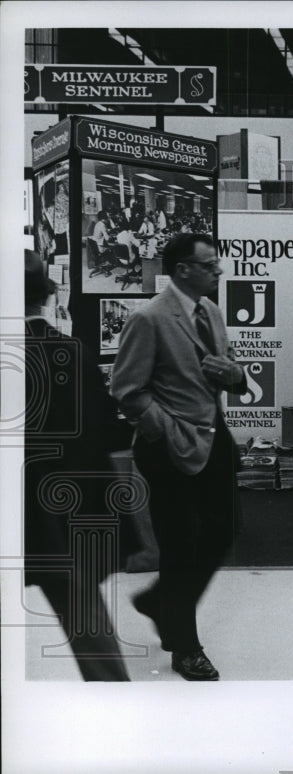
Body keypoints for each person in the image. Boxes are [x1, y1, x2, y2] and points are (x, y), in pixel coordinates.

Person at [110, 233, 247, 681]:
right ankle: (185, 647)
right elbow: (127, 390)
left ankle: (158, 601)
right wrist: (165, 430)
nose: (219, 271)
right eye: (210, 265)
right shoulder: (149, 319)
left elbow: (226, 372)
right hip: (168, 446)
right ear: (183, 269)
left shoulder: (211, 312)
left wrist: (236, 376)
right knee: (180, 543)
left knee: (223, 530)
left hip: (214, 437)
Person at [23, 250, 132, 681]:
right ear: (46, 295)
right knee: (90, 630)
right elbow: (98, 439)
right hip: (56, 520)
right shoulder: (72, 351)